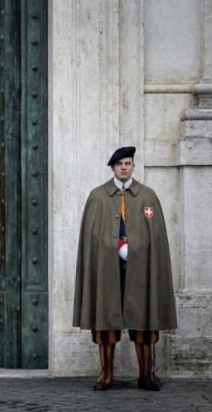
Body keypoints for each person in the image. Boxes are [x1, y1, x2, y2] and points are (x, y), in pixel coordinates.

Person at [73, 146, 177, 391]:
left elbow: (156, 239)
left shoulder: (147, 196)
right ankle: (106, 374)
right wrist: (112, 247)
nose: (124, 167)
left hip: (140, 270)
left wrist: (137, 248)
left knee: (143, 317)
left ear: (132, 166)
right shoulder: (97, 197)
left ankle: (146, 374)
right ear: (112, 167)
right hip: (108, 269)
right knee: (106, 319)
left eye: (128, 163)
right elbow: (92, 238)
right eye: (120, 164)